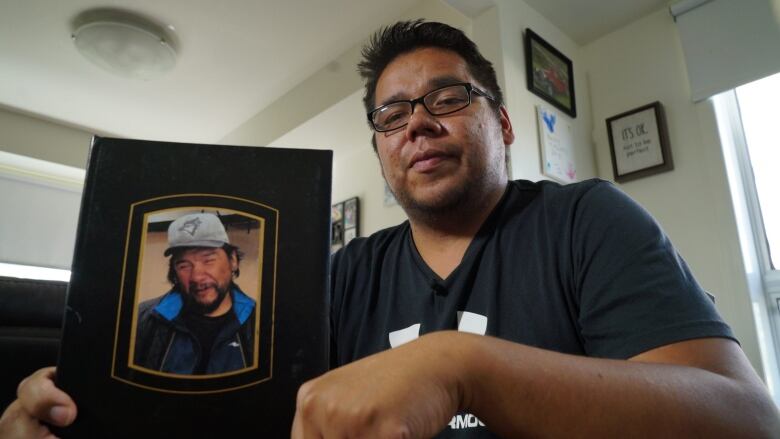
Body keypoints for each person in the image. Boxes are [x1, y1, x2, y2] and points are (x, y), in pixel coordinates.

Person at [1, 19, 778, 439]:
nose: (419, 124)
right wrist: (85, 419)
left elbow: (744, 419)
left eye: (448, 99)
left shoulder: (586, 220)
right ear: (378, 146)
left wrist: (465, 366)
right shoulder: (340, 274)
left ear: (503, 122)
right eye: (393, 113)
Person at [134, 212, 256, 375]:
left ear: (233, 260)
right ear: (174, 271)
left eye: (208, 260)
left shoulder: (261, 323)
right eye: (184, 265)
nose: (197, 276)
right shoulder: (142, 320)